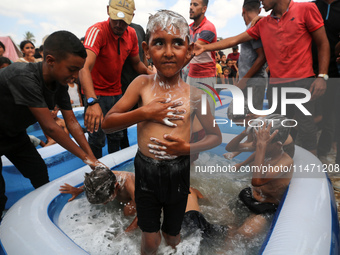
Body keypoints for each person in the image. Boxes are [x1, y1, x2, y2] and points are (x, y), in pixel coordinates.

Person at [101, 10, 221, 254]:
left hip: (178, 171)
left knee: (172, 233)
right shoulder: (142, 84)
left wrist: (185, 148)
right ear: (146, 50)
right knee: (150, 235)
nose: (168, 52)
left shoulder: (196, 95)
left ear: (188, 51)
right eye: (159, 43)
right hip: (145, 171)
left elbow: (215, 136)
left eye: (177, 43)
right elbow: (108, 122)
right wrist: (145, 113)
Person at [193, 0, 330, 156]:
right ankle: (282, 167)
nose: (260, 3)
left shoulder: (306, 9)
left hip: (302, 82)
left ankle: (312, 174)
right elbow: (235, 39)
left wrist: (322, 76)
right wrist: (205, 47)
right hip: (276, 87)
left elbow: (323, 43)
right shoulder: (263, 23)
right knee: (277, 131)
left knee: (306, 130)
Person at [0, 31, 104, 217]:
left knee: (39, 172)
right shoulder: (23, 77)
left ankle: (46, 218)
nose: (75, 76)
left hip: (14, 134)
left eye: (78, 70)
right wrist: (85, 158)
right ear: (50, 60)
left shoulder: (59, 84)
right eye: (72, 69)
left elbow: (72, 122)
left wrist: (91, 157)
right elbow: (50, 128)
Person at [79, 0, 153, 159]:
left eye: (124, 20)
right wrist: (92, 101)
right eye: (116, 19)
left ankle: (115, 171)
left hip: (117, 92)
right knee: (97, 138)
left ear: (132, 16)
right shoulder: (96, 31)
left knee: (116, 136)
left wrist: (150, 73)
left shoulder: (132, 34)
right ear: (108, 11)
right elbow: (84, 67)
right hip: (96, 92)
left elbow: (136, 63)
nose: (119, 24)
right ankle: (96, 170)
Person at [235, 119, 294, 239]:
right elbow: (232, 147)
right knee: (231, 229)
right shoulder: (265, 153)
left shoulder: (285, 162)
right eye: (257, 140)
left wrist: (261, 146)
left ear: (278, 145)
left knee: (244, 234)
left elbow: (257, 181)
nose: (257, 144)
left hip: (267, 207)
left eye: (262, 142)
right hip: (250, 196)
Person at [59, 166, 137, 231]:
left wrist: (127, 232)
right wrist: (79, 190)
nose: (104, 204)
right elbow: (93, 182)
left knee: (128, 209)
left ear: (116, 187)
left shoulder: (130, 185)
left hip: (140, 195)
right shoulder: (105, 177)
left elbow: (145, 212)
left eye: (107, 200)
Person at [312, 0, 340, 163]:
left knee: (331, 115)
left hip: (334, 72)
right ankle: (305, 153)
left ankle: (323, 153)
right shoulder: (312, 6)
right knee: (306, 113)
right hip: (310, 71)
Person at [120, 22, 148, 149]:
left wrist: (148, 74)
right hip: (123, 85)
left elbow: (143, 56)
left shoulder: (138, 29)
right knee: (123, 124)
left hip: (141, 81)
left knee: (144, 118)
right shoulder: (117, 29)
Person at [188, 0, 217, 115]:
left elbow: (193, 50)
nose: (190, 7)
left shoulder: (208, 27)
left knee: (207, 114)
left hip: (206, 76)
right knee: (190, 114)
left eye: (195, 5)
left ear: (204, 9)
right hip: (191, 75)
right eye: (190, 4)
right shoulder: (188, 28)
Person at [237, 0, 267, 111]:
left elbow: (262, 57)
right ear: (259, 10)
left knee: (252, 119)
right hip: (250, 82)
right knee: (247, 118)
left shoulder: (254, 27)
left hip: (253, 82)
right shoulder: (252, 26)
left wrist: (244, 80)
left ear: (243, 10)